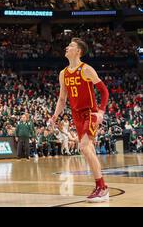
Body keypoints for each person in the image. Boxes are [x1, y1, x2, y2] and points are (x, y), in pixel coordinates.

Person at [50, 38, 110, 203]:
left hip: (89, 112)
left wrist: (101, 112)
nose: (67, 47)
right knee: (88, 148)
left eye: (71, 46)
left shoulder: (86, 69)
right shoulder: (63, 73)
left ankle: (102, 187)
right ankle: (101, 187)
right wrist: (55, 116)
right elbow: (62, 99)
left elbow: (104, 92)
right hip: (76, 115)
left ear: (78, 51)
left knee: (83, 146)